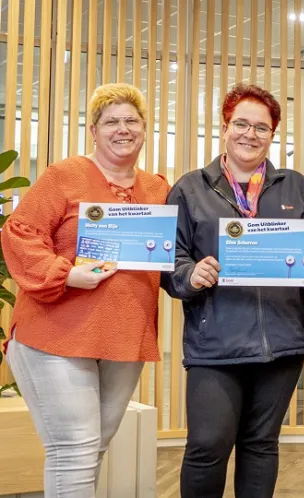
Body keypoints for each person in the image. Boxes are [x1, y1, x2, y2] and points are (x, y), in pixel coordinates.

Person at [161, 83, 304, 498]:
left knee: (260, 445)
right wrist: (190, 273)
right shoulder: (190, 188)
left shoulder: (296, 186)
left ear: (272, 134)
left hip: (282, 341)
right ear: (225, 127)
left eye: (261, 127)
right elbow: (170, 259)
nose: (250, 134)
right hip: (215, 344)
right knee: (207, 446)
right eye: (241, 124)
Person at [2, 83, 170, 496]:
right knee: (75, 449)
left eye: (131, 120)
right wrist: (65, 274)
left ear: (144, 129)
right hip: (55, 335)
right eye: (111, 121)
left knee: (92, 450)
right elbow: (20, 232)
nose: (122, 129)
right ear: (93, 130)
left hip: (123, 337)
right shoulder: (64, 176)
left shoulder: (158, 189)